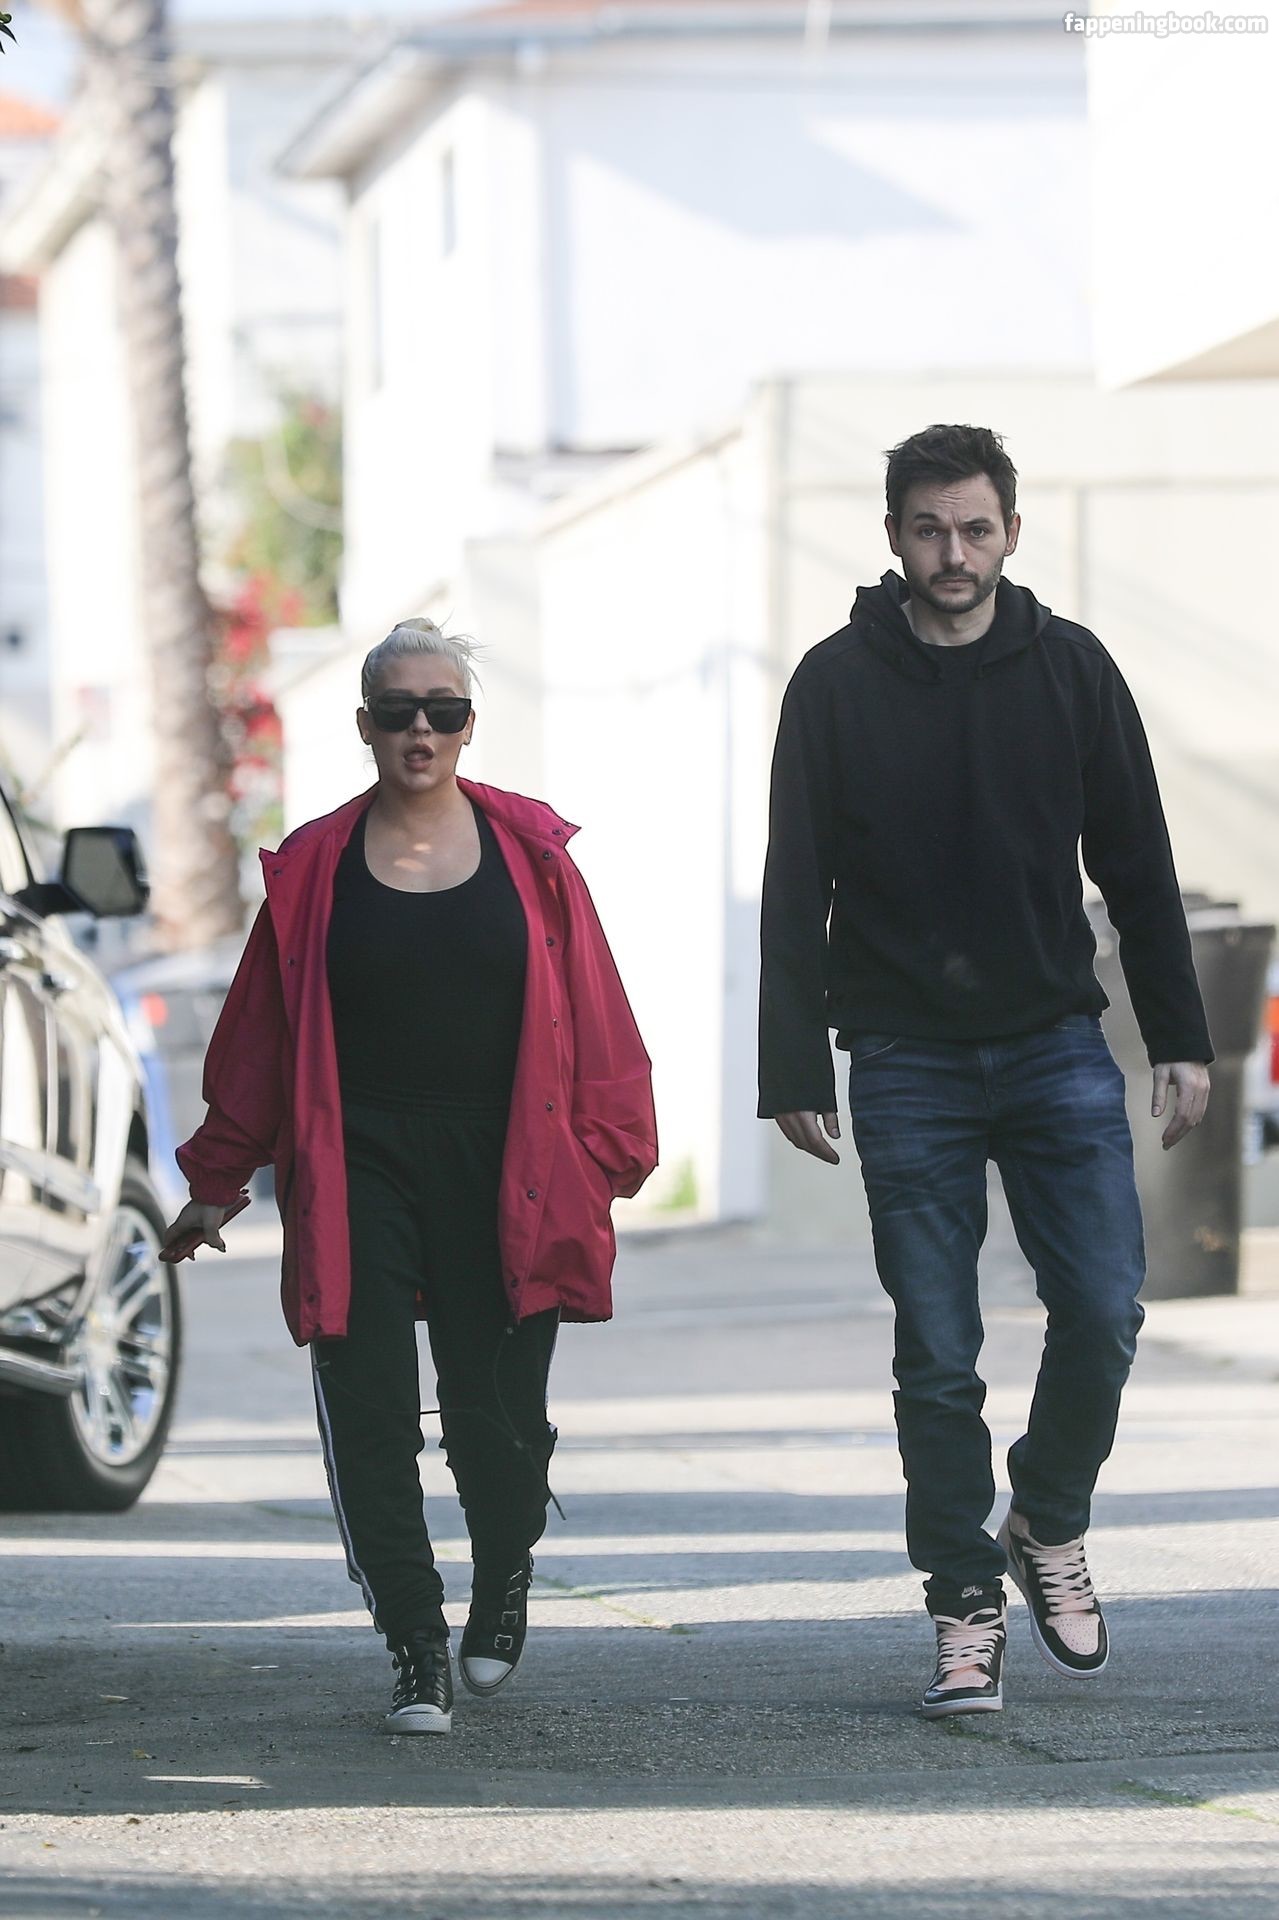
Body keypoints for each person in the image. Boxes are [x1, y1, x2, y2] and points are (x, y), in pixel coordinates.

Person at [758, 425, 1212, 1720]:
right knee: (938, 1352)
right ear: (892, 538)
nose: (950, 553)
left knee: (1104, 1309)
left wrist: (1179, 1037)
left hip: (1054, 1040)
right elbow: (794, 883)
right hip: (904, 1057)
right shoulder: (833, 684)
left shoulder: (1070, 669)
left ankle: (1045, 1517)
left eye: (972, 527)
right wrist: (791, 1060)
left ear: (1010, 531)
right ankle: (962, 1603)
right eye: (927, 529)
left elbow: (1136, 862)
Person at [163, 617, 657, 1735]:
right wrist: (218, 1176)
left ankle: (504, 1576)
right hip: (356, 1162)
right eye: (398, 712)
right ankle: (413, 1642)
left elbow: (595, 1012)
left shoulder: (533, 859)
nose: (420, 731)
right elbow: (259, 1037)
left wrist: (605, 1156)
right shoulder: (314, 870)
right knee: (371, 1410)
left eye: (443, 711)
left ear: (469, 725)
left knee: (496, 1419)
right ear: (365, 726)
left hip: (507, 1165)